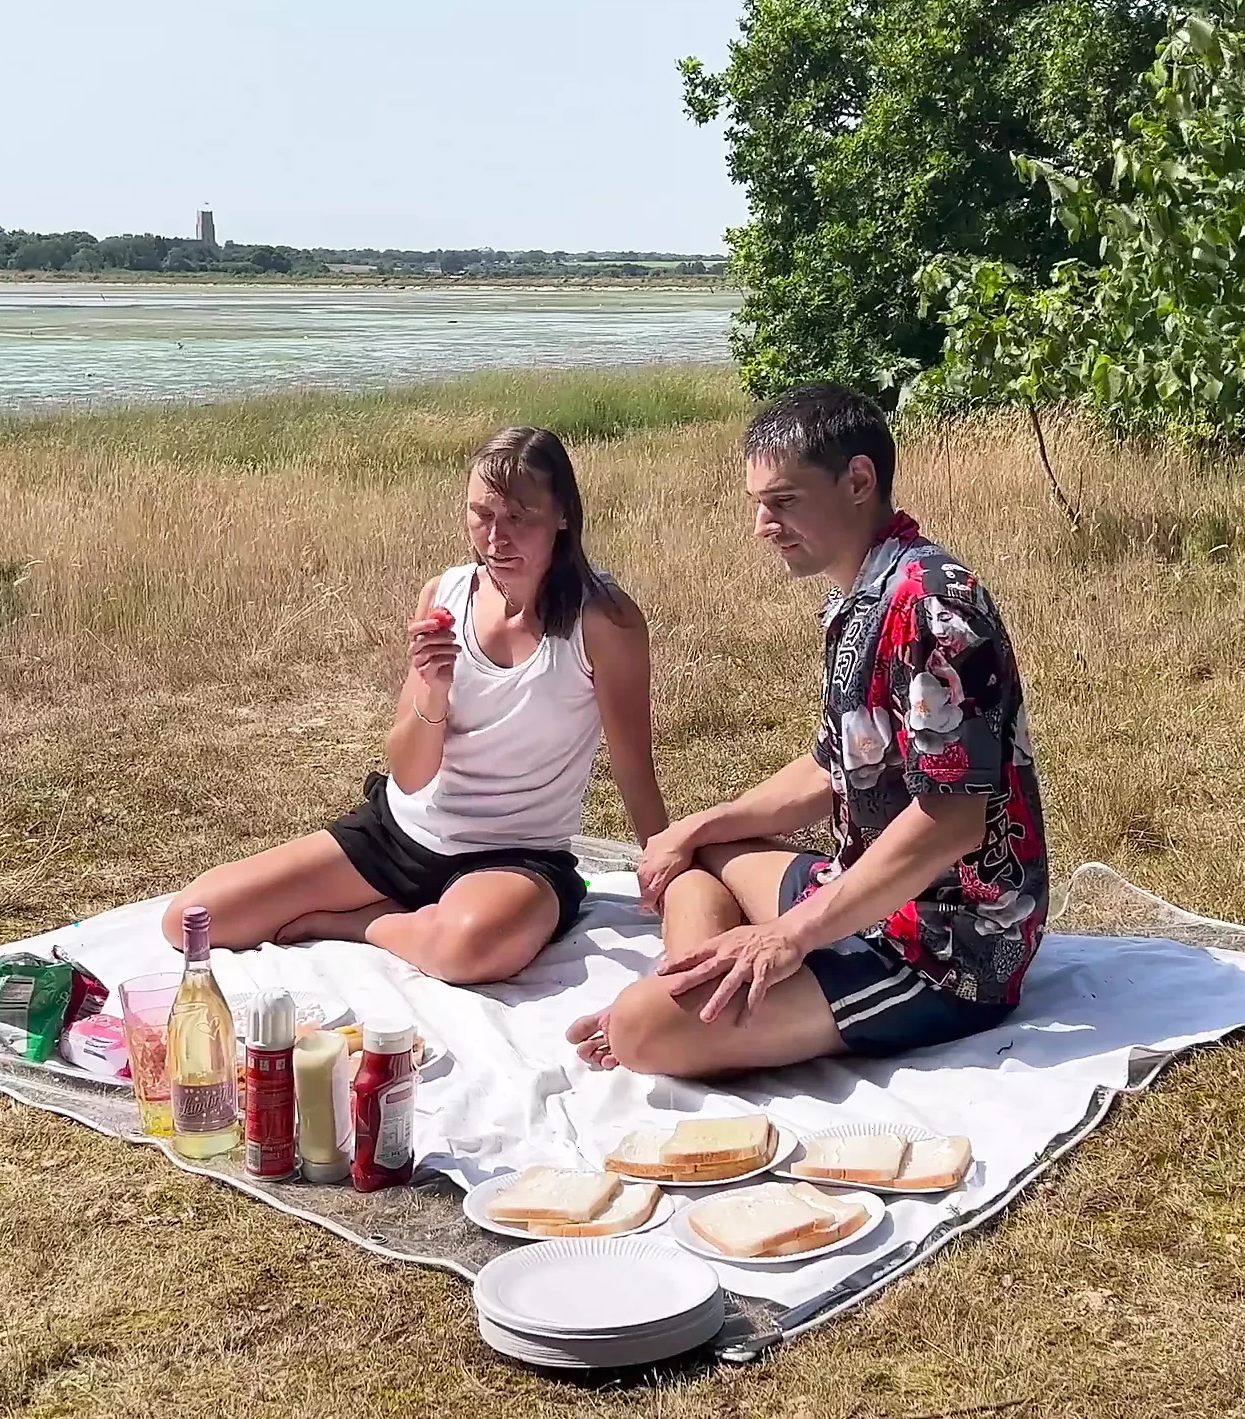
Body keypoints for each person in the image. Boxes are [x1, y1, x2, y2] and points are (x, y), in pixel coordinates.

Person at [567, 383, 1048, 1078]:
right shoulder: (865, 595)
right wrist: (697, 826)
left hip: (946, 947)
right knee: (699, 858)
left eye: (783, 501)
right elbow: (832, 766)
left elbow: (950, 823)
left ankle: (681, 1003)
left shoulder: (934, 606)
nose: (764, 524)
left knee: (643, 1032)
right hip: (864, 893)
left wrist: (789, 936)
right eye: (759, 504)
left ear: (858, 480)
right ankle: (695, 979)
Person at [161, 426, 668, 984]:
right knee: (190, 921)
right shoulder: (445, 596)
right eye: (482, 515)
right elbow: (409, 773)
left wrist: (665, 870)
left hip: (514, 856)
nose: (496, 538)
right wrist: (433, 689)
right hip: (401, 835)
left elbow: (632, 764)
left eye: (520, 517)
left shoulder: (603, 621)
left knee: (467, 951)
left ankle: (367, 925)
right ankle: (410, 915)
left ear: (564, 515)